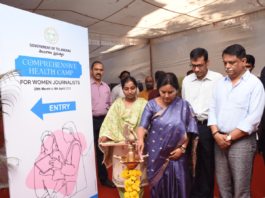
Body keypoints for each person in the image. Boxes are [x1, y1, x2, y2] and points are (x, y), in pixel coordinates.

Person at [208, 44, 265, 198]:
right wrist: (215, 134)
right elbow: (212, 110)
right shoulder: (220, 84)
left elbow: (253, 118)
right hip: (219, 140)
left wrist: (229, 137)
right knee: (223, 187)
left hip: (242, 141)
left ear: (243, 61)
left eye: (231, 62)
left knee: (241, 189)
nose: (227, 66)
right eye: (225, 62)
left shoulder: (254, 84)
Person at [137, 73, 199, 198]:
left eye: (171, 92)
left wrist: (182, 148)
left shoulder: (184, 105)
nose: (166, 95)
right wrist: (140, 139)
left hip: (178, 154)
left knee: (180, 185)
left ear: (177, 89)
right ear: (157, 89)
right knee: (158, 185)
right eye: (162, 92)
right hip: (156, 154)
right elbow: (142, 127)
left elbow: (190, 130)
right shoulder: (151, 105)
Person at [182, 48, 223, 198]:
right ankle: (193, 194)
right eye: (193, 65)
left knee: (207, 164)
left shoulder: (218, 78)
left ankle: (206, 195)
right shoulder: (187, 80)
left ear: (207, 62)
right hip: (191, 127)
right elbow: (185, 106)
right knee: (192, 164)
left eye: (200, 65)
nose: (197, 69)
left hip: (209, 127)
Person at [98, 76, 148, 198]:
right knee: (122, 179)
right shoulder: (117, 104)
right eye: (126, 89)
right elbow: (109, 122)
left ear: (137, 88)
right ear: (122, 89)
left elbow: (149, 123)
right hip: (120, 148)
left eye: (132, 88)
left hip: (138, 147)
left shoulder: (144, 104)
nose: (130, 91)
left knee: (138, 178)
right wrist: (104, 135)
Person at [90, 61, 115, 188]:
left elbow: (110, 105)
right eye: (96, 69)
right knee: (88, 151)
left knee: (102, 151)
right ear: (91, 71)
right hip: (89, 121)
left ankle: (103, 178)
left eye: (101, 70)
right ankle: (88, 181)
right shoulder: (86, 86)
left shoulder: (106, 86)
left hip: (104, 122)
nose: (98, 72)